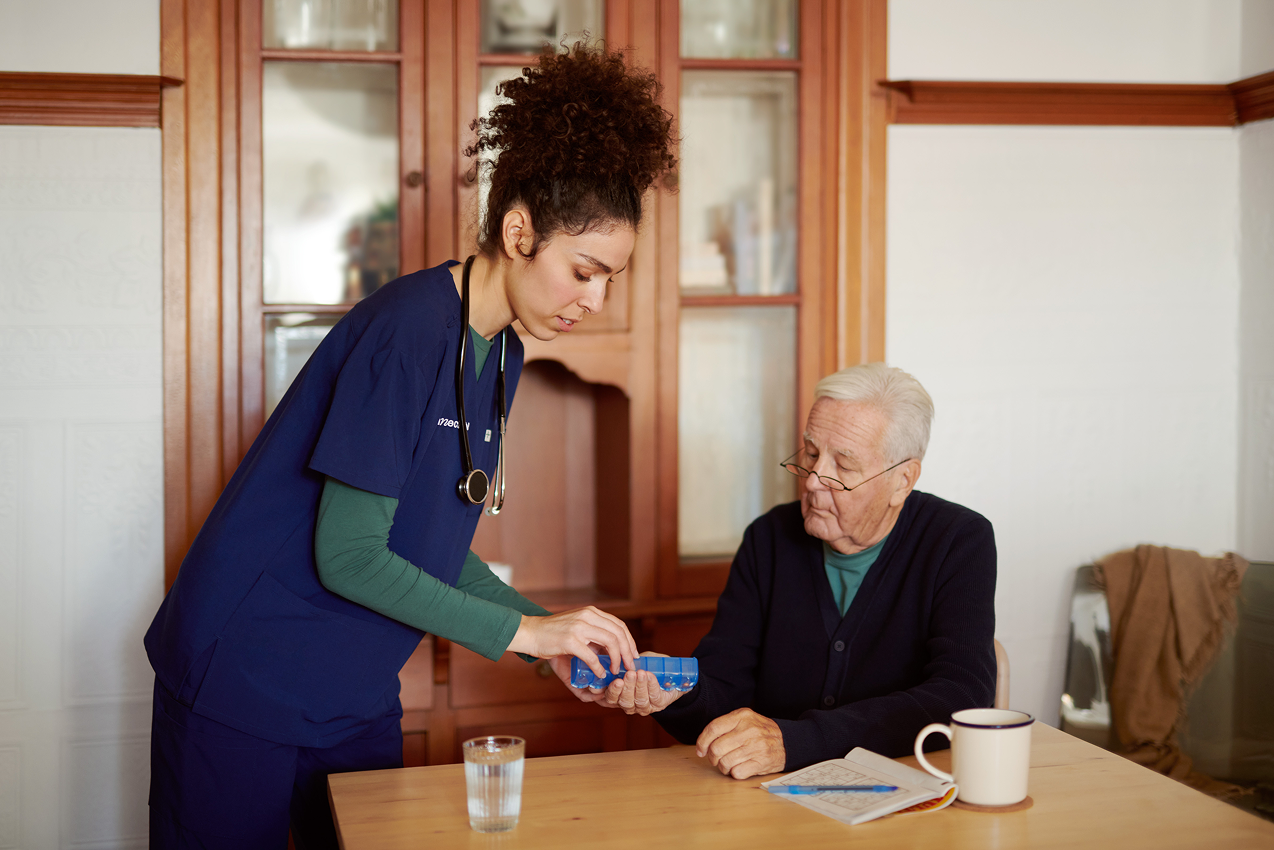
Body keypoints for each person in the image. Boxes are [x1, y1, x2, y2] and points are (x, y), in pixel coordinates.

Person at [144, 42, 676, 848]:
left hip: (350, 685)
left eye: (612, 278)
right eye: (584, 269)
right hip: (245, 675)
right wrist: (529, 636)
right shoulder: (407, 329)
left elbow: (424, 542)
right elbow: (351, 556)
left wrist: (549, 639)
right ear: (519, 229)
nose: (595, 299)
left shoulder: (503, 351)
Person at [598, 363, 997, 780]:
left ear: (902, 480)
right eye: (810, 454)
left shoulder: (958, 540)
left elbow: (961, 695)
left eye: (843, 466)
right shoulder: (768, 538)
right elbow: (725, 687)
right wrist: (677, 693)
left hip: (906, 795)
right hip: (770, 796)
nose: (812, 481)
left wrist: (799, 742)